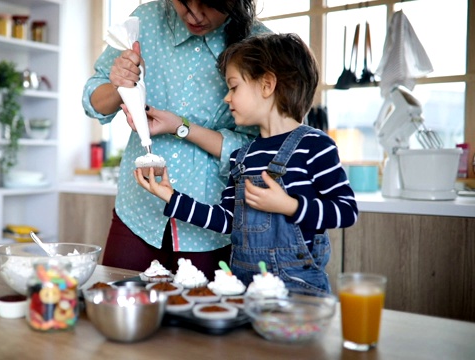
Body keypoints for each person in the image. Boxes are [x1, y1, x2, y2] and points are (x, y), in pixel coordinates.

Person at [134, 33, 359, 293]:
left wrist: (290, 206)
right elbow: (228, 220)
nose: (226, 98)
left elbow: (346, 211)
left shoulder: (316, 146)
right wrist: (172, 197)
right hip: (245, 290)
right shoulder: (242, 156)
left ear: (267, 85)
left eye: (233, 87)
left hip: (300, 293)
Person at [81, 0, 272, 278]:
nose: (194, 14)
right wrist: (118, 84)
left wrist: (181, 127)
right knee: (118, 304)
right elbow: (93, 102)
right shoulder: (146, 19)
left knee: (200, 316)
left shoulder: (260, 45)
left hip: (211, 224)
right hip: (138, 213)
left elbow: (259, 151)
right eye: (184, 1)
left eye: (208, 3)